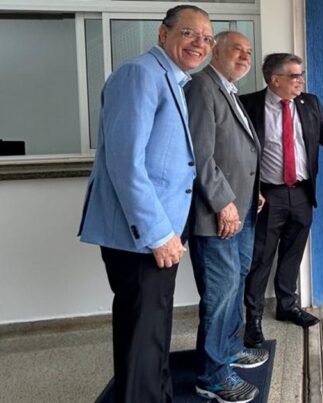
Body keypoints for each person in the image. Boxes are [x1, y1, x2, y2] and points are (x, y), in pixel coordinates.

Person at [77, 6, 212, 401]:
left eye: (206, 37)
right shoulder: (140, 74)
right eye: (190, 33)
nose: (199, 44)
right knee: (141, 333)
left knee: (154, 329)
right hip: (142, 236)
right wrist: (158, 233)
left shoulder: (172, 79)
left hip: (161, 231)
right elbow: (125, 162)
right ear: (162, 33)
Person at [239, 53, 323, 345]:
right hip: (266, 195)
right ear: (275, 79)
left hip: (302, 192)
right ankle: (253, 318)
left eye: (301, 75)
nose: (301, 81)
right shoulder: (248, 105)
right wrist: (248, 188)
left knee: (293, 252)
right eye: (295, 76)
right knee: (261, 257)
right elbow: (236, 151)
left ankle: (287, 306)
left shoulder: (310, 103)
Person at [185, 31, 270, 402]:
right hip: (217, 214)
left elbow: (240, 153)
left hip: (243, 208)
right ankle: (213, 375)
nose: (245, 56)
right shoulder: (202, 88)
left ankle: (231, 348)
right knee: (220, 294)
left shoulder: (229, 91)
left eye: (249, 52)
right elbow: (200, 156)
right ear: (215, 50)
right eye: (237, 49)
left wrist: (254, 192)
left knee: (235, 282)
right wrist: (223, 203)